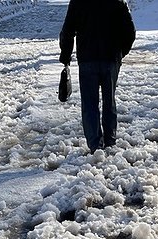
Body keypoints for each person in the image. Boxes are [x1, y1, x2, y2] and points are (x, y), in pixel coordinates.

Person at [59, 0, 136, 153]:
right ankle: (110, 142)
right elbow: (130, 32)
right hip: (111, 58)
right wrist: (121, 53)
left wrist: (66, 57)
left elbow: (67, 30)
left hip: (87, 58)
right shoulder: (118, 1)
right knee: (109, 101)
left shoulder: (77, 2)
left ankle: (95, 145)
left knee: (89, 104)